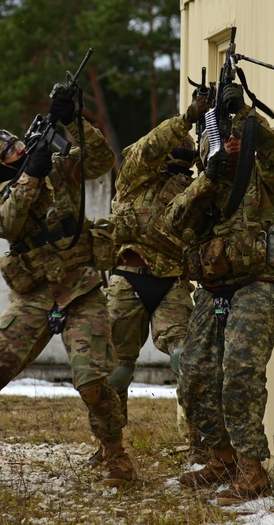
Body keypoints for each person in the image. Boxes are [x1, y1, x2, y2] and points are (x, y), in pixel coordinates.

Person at [0, 90, 136, 490]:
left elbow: (101, 161)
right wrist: (29, 175)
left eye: (19, 143)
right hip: (35, 297)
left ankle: (117, 461)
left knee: (92, 383)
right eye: (12, 151)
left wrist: (75, 120)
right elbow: (8, 226)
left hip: (81, 290)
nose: (21, 148)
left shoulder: (59, 169)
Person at [163, 83, 274, 506]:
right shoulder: (204, 187)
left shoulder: (264, 178)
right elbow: (174, 222)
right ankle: (221, 460)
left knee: (239, 371)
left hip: (256, 286)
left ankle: (252, 471)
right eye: (225, 136)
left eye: (238, 137)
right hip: (212, 291)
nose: (233, 141)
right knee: (194, 373)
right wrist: (208, 179)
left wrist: (248, 119)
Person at [87, 93, 211, 467]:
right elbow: (144, 150)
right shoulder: (134, 177)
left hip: (171, 283)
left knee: (185, 358)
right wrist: (187, 117)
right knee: (117, 369)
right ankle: (110, 448)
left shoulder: (192, 191)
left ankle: (200, 442)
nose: (178, 163)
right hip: (129, 278)